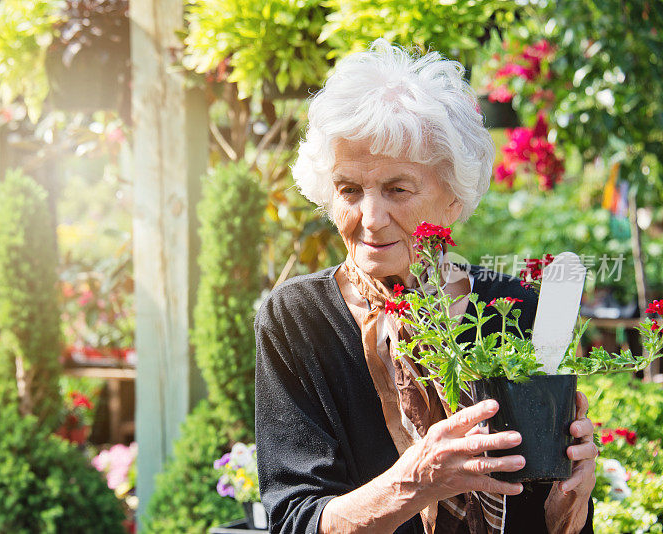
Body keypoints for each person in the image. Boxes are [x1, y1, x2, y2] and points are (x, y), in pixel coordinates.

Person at [254, 40, 597, 534]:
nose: (370, 220)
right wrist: (417, 481)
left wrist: (572, 502)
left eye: (397, 189)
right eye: (350, 190)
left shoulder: (516, 310)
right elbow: (295, 521)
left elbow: (544, 518)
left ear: (453, 198)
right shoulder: (297, 320)